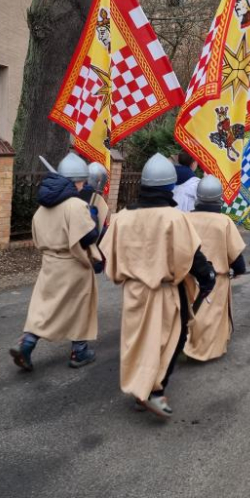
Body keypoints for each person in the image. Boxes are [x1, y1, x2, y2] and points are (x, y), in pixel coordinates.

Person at [99, 153, 216, 419]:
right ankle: (154, 390)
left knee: (138, 342)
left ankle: (142, 388)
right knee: (169, 341)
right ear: (168, 186)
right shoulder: (173, 218)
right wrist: (207, 275)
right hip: (163, 292)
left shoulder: (123, 217)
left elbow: (108, 252)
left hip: (132, 292)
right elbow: (192, 254)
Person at [9, 153, 102, 372]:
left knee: (45, 306)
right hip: (73, 264)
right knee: (79, 306)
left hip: (50, 263)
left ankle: (27, 343)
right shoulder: (75, 206)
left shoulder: (43, 206)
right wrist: (93, 217)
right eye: (82, 182)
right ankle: (79, 352)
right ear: (78, 181)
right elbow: (89, 236)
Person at [184, 175, 246, 362]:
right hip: (216, 280)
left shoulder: (184, 219)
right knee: (210, 317)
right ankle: (205, 351)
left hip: (188, 277)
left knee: (191, 311)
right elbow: (237, 260)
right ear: (219, 197)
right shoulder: (224, 222)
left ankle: (187, 346)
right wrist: (238, 270)